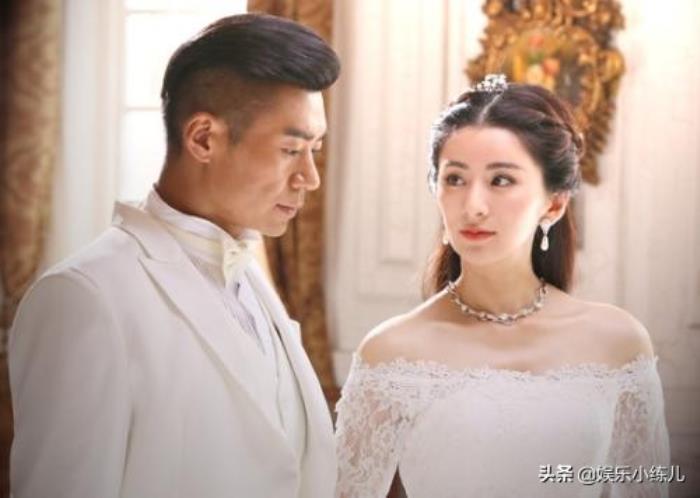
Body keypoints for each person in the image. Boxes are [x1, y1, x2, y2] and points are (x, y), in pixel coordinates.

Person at [9, 13, 340, 498]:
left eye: (316, 149)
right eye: (291, 149)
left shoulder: (252, 278)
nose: (310, 177)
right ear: (203, 137)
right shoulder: (82, 298)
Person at [334, 74, 670, 498]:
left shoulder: (618, 342)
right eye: (455, 179)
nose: (473, 206)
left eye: (501, 180)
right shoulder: (391, 352)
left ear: (554, 203)